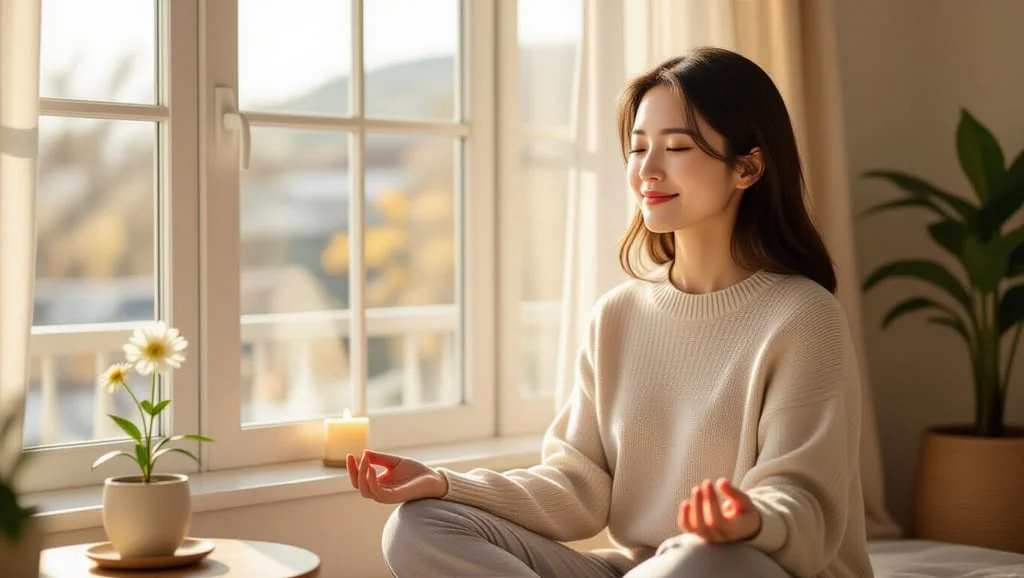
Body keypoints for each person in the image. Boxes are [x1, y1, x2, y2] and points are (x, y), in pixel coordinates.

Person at [346, 46, 874, 578]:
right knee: (419, 526)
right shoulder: (617, 316)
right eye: (639, 147)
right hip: (643, 571)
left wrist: (747, 520)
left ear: (748, 167)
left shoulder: (803, 316)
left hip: (746, 568)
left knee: (703, 559)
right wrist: (444, 482)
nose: (647, 169)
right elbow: (578, 487)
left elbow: (801, 503)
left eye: (676, 147)